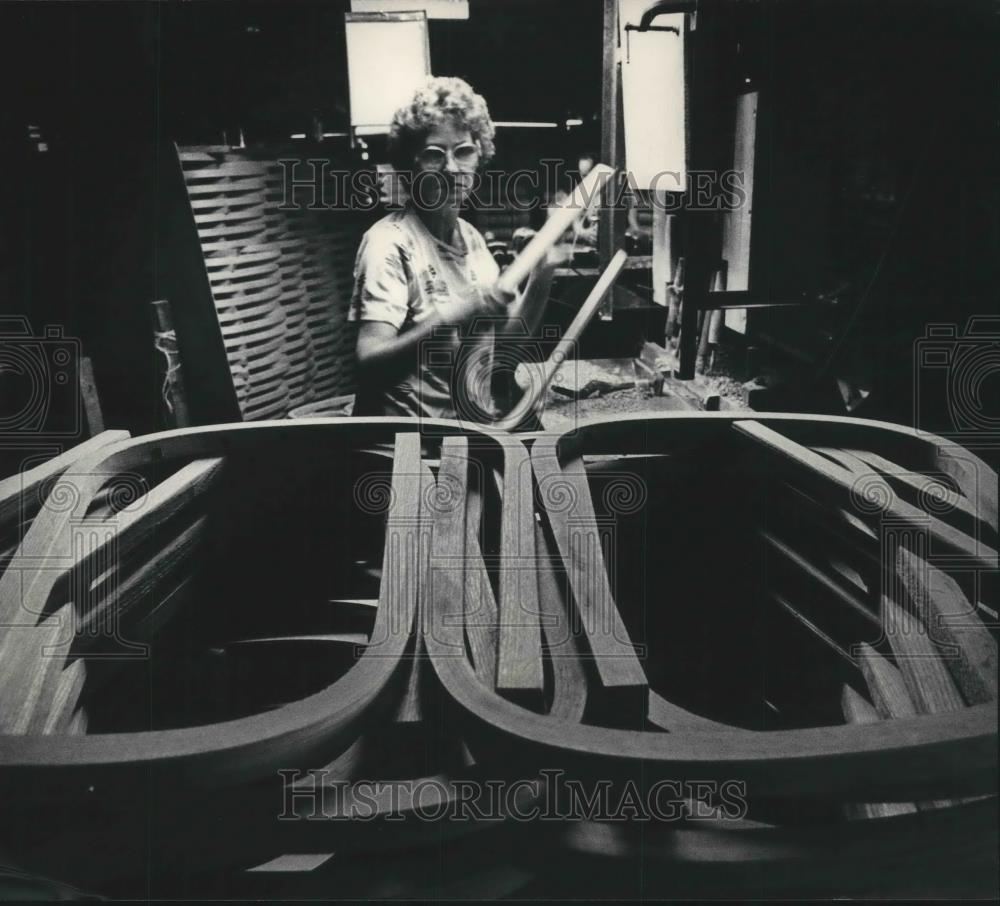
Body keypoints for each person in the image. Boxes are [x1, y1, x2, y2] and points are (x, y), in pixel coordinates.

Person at [349, 76, 563, 421]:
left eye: (463, 151)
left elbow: (500, 354)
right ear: (410, 165)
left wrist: (541, 277)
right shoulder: (389, 242)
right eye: (434, 155)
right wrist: (448, 317)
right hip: (404, 448)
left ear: (479, 157)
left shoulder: (472, 239)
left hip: (461, 434)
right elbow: (368, 361)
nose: (451, 168)